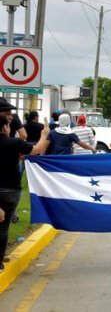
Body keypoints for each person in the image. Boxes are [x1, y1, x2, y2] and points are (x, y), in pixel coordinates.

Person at [0, 112, 50, 273]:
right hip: (10, 190)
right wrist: (44, 135)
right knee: (4, 226)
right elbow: (38, 148)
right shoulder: (14, 143)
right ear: (5, 128)